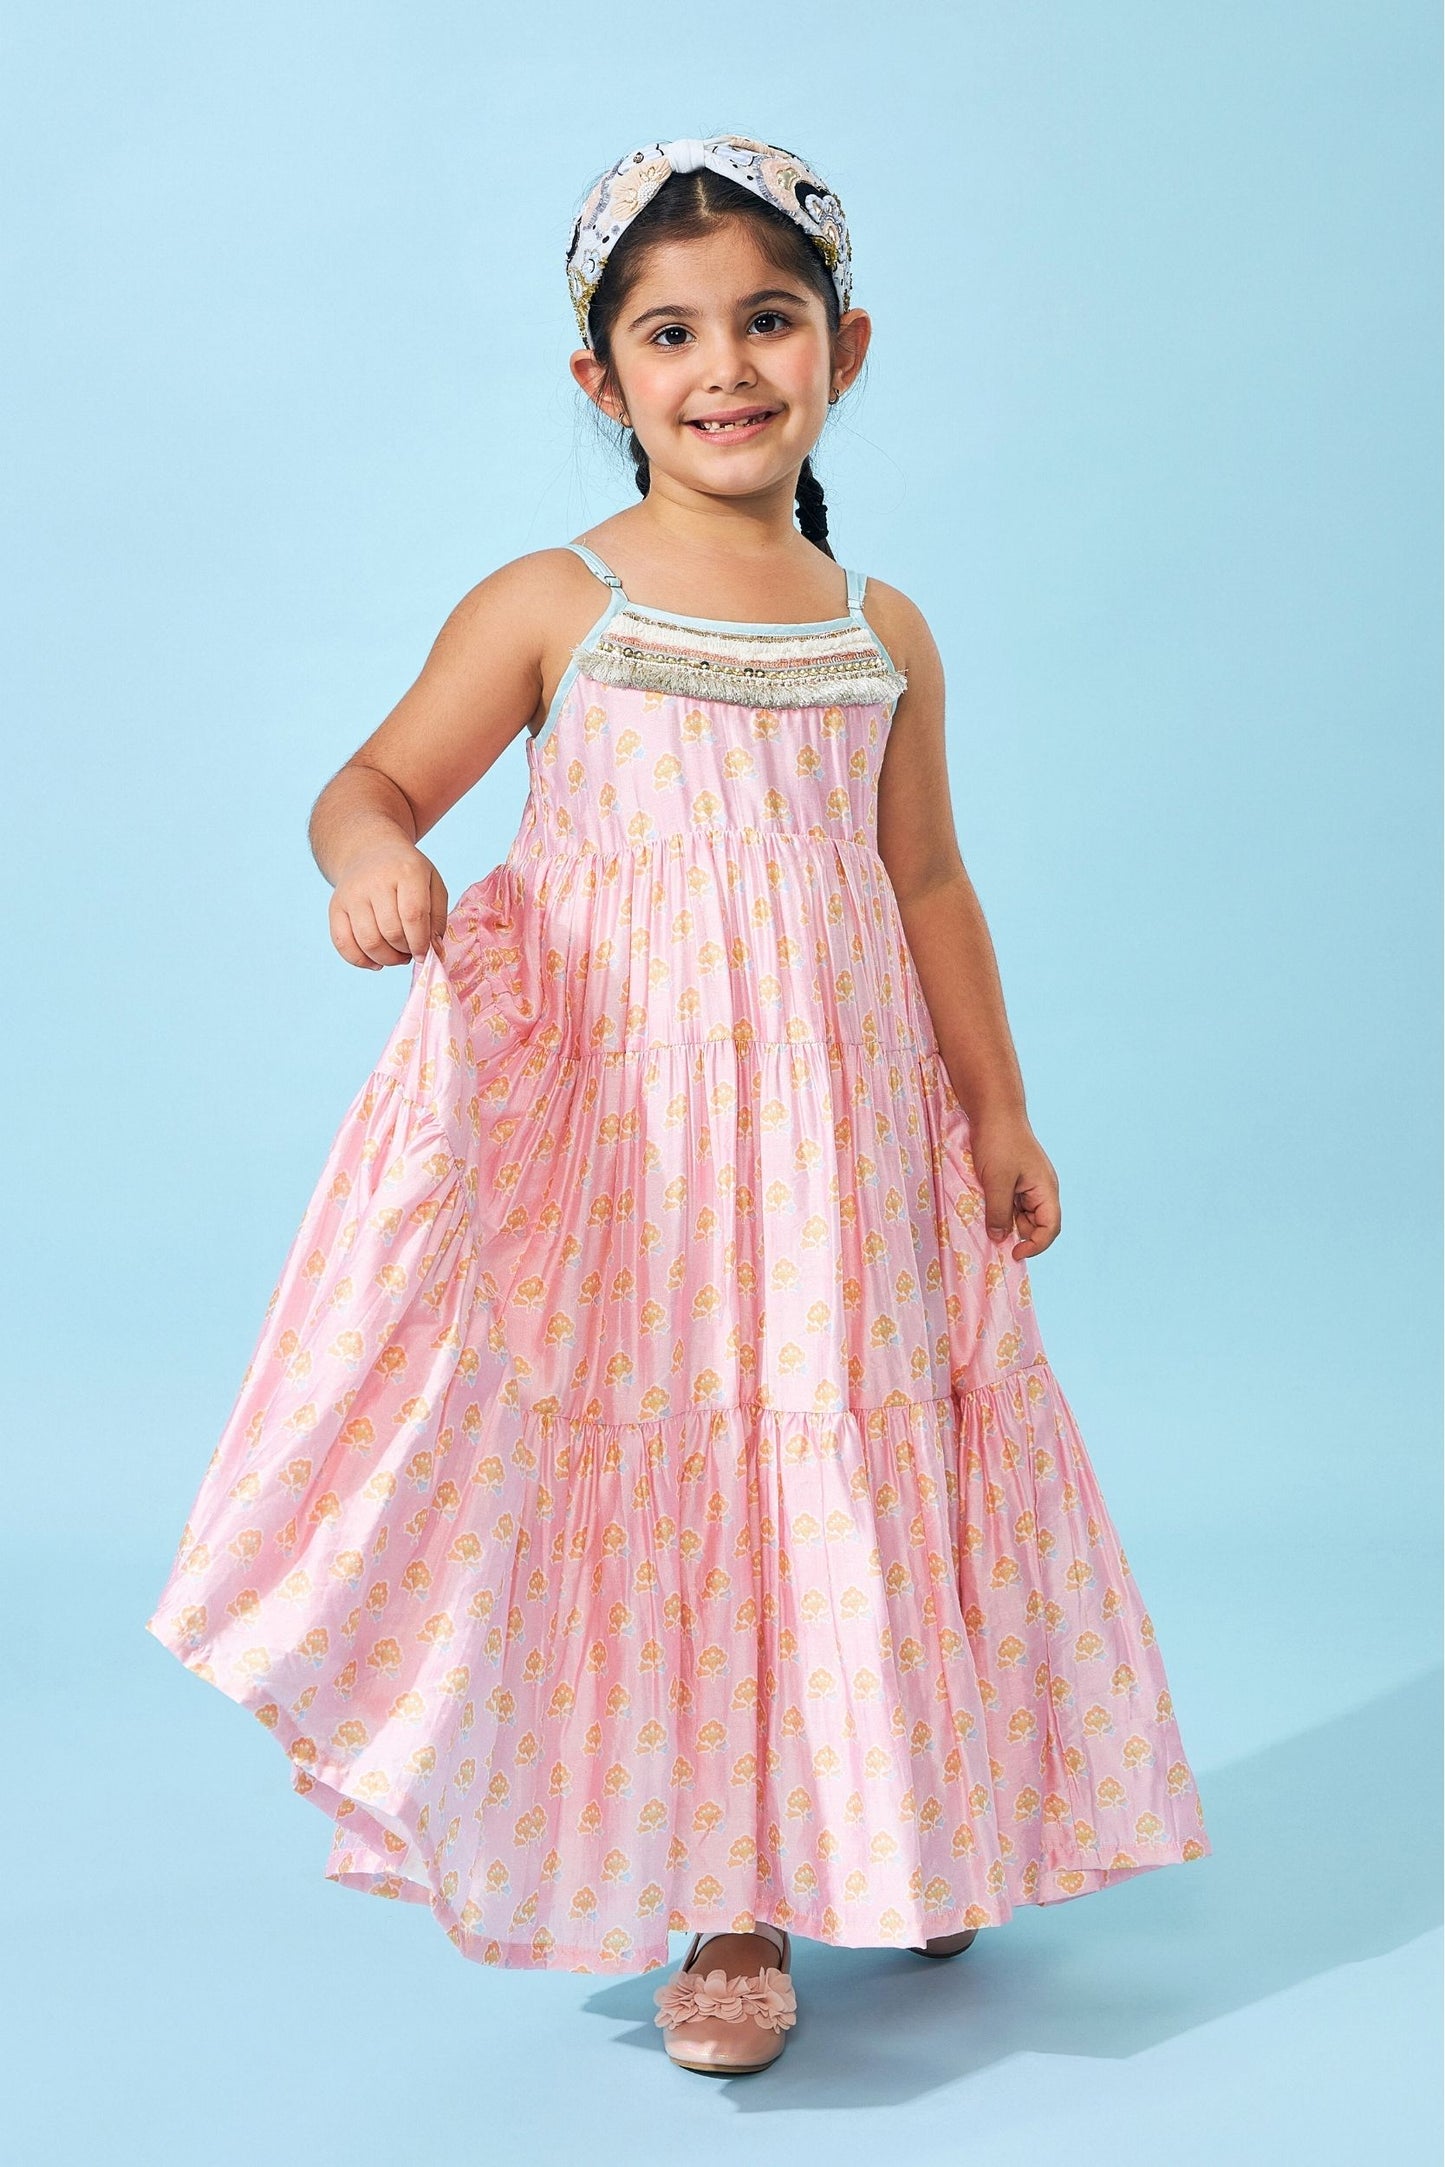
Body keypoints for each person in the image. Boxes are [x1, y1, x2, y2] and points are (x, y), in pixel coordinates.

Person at [146, 131, 1212, 2078]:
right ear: (603, 376)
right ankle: (733, 1891)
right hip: (643, 1160)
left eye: (768, 321)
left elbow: (928, 884)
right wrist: (372, 861)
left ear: (843, 349)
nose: (725, 366)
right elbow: (368, 783)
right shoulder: (558, 603)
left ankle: (897, 1814)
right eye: (671, 333)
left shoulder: (880, 629)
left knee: (860, 1463)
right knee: (708, 1479)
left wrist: (996, 1109)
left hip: (843, 1149)